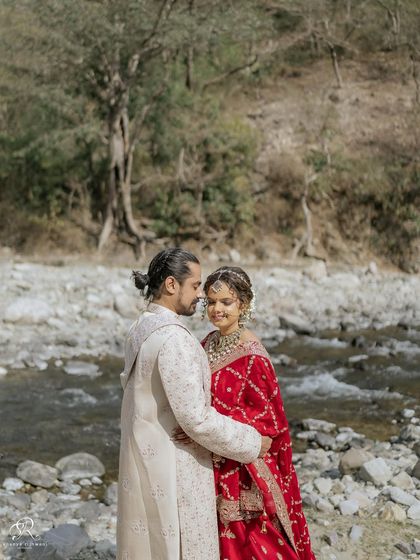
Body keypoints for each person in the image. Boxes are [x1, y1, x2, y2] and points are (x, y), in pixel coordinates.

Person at [116, 248, 272, 560]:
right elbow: (196, 419)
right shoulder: (175, 339)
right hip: (176, 464)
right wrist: (252, 442)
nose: (201, 295)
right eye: (196, 285)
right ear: (172, 285)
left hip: (144, 451)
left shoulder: (140, 327)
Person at [201, 266, 316, 560]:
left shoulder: (252, 355)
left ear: (243, 304)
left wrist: (220, 425)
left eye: (226, 302)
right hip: (211, 450)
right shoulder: (206, 343)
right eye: (211, 302)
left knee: (250, 538)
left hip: (243, 462)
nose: (217, 309)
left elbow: (270, 419)